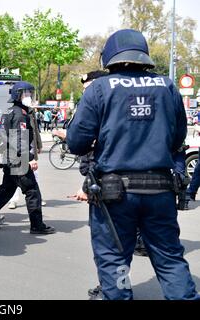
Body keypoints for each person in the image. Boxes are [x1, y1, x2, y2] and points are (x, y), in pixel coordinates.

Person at [67, 29, 199, 300]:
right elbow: (178, 138)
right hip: (160, 191)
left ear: (110, 57)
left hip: (115, 195)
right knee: (169, 256)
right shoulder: (168, 86)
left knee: (114, 258)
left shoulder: (100, 88)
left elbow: (77, 142)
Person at [0, 81, 56, 235]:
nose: (29, 96)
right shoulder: (21, 114)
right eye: (26, 93)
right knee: (32, 191)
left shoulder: (9, 112)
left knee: (5, 192)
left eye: (29, 93)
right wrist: (30, 158)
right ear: (18, 95)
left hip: (9, 159)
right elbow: (20, 139)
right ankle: (37, 225)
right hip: (19, 160)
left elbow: (1, 136)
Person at [8, 104, 46, 210]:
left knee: (34, 173)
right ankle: (14, 200)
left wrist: (39, 144)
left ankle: (38, 198)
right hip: (18, 149)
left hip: (30, 145)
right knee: (16, 176)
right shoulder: (15, 112)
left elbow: (35, 130)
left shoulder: (30, 111)